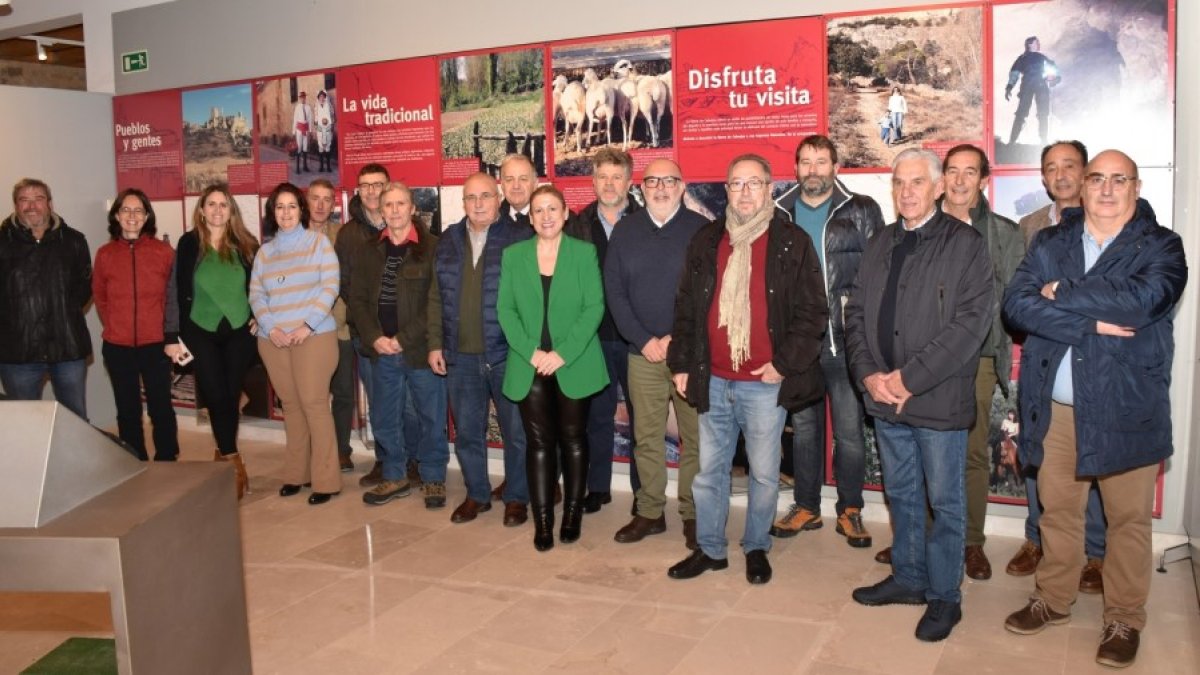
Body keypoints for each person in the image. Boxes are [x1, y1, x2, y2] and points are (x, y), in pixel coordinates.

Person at [1002, 150, 1186, 668]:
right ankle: (1053, 599)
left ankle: (1124, 618)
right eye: (1097, 179)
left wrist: (1061, 292)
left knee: (1127, 520)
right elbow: (1016, 304)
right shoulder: (1050, 241)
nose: (1106, 189)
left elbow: (1142, 302)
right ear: (1082, 186)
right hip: (1056, 409)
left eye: (1118, 180)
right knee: (1059, 511)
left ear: (1136, 187)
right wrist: (1088, 322)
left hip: (1126, 406)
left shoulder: (1161, 246)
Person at [845, 148, 992, 642]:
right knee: (902, 493)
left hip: (936, 398)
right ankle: (908, 577)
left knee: (945, 502)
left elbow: (969, 326)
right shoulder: (880, 241)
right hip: (884, 397)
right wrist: (869, 375)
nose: (906, 192)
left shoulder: (966, 244)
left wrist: (908, 379)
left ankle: (945, 596)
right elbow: (855, 313)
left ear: (938, 187)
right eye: (899, 183)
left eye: (917, 182)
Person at [666, 154, 826, 585]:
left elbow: (813, 312)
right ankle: (710, 549)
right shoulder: (706, 240)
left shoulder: (791, 241)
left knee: (764, 474)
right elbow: (686, 307)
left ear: (770, 188)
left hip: (763, 383)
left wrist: (785, 364)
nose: (745, 192)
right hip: (714, 379)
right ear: (726, 191)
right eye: (736, 184)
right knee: (709, 473)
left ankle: (756, 546)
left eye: (754, 183)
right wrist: (682, 363)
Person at [770, 134, 884, 548]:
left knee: (850, 431)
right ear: (795, 168)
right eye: (806, 162)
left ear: (836, 167)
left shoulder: (861, 209)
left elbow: (880, 271)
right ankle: (806, 506)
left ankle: (850, 509)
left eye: (821, 161)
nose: (813, 170)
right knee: (804, 429)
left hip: (846, 340)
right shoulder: (778, 212)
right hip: (800, 341)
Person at [1008, 141, 1108, 591]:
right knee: (1038, 452)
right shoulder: (1029, 227)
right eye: (1051, 168)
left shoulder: (1107, 223)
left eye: (1070, 166)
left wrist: (1058, 300)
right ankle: (1037, 539)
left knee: (1093, 458)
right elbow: (1019, 299)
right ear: (1043, 178)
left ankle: (1095, 552)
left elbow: (1105, 302)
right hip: (1042, 360)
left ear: (1085, 173)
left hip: (1098, 361)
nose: (1061, 175)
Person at [499, 184, 608, 550]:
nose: (546, 216)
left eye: (552, 209)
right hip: (528, 363)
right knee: (539, 443)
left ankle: (573, 514)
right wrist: (531, 352)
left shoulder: (584, 253)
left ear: (564, 214)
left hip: (573, 361)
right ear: (530, 219)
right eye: (538, 210)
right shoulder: (514, 256)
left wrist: (562, 354)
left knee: (574, 439)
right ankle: (543, 520)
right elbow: (505, 310)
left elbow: (593, 308)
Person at [606, 158, 706, 549]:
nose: (661, 188)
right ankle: (649, 512)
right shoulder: (625, 231)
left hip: (688, 355)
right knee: (646, 437)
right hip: (641, 353)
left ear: (682, 186)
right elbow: (614, 293)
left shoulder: (701, 230)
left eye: (669, 180)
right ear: (641, 188)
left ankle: (693, 514)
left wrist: (676, 339)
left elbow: (708, 294)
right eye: (652, 181)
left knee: (694, 439)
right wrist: (644, 339)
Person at [939, 144, 1025, 581]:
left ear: (984, 180)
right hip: (923, 359)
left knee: (972, 452)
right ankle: (922, 536)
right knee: (925, 450)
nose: (959, 181)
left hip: (979, 356)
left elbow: (1015, 301)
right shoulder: (918, 224)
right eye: (952, 171)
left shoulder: (1004, 234)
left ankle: (971, 542)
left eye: (969, 172)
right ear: (942, 177)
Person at [428, 172, 532, 525]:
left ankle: (517, 497)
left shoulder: (519, 237)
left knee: (516, 433)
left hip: (507, 354)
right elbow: (435, 297)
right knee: (468, 433)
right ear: (463, 203)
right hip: (460, 356)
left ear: (498, 199)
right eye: (471, 197)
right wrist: (435, 344)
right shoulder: (448, 240)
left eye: (485, 196)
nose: (478, 203)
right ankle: (477, 494)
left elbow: (532, 298)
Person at [349, 182, 449, 510]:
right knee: (384, 418)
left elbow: (436, 303)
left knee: (430, 417)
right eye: (388, 205)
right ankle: (395, 475)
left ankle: (433, 477)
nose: (394, 210)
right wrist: (375, 337)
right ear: (381, 210)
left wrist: (402, 339)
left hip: (420, 351)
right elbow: (357, 300)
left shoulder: (433, 247)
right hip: (382, 352)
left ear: (413, 208)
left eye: (400, 204)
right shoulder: (368, 251)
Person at [165, 184, 259, 499]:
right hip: (199, 330)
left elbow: (260, 287)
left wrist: (260, 315)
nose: (218, 210)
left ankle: (223, 453)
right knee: (216, 395)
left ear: (231, 211)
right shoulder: (188, 243)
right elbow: (174, 291)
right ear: (202, 210)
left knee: (229, 395)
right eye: (212, 204)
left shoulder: (246, 244)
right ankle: (233, 461)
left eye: (223, 205)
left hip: (239, 332)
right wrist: (171, 335)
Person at [250, 182, 341, 505]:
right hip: (273, 340)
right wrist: (271, 327)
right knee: (291, 407)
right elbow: (256, 294)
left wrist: (307, 325)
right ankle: (296, 474)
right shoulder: (265, 252)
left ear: (301, 210)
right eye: (279, 207)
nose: (286, 212)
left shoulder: (318, 243)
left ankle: (327, 480)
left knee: (314, 405)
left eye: (292, 206)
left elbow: (330, 286)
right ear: (272, 213)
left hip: (313, 337)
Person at [564, 147, 643, 513]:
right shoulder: (576, 226)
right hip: (592, 339)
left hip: (636, 339)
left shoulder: (646, 222)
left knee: (642, 419)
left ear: (629, 181)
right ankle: (598, 487)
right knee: (597, 416)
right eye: (602, 177)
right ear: (593, 182)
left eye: (616, 177)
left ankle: (644, 493)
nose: (609, 184)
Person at [92, 188, 178, 461]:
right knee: (127, 409)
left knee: (161, 407)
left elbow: (172, 297)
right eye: (126, 210)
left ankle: (167, 458)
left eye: (138, 210)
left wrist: (168, 334)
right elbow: (100, 296)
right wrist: (115, 325)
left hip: (155, 344)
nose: (132, 216)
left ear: (147, 216)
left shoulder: (164, 252)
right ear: (117, 216)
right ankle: (134, 459)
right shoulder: (105, 254)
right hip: (118, 346)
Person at [0, 178, 92, 419]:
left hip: (67, 347)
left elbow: (84, 288)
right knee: (24, 424)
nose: (32, 206)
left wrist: (63, 313)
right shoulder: (2, 242)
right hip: (18, 352)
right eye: (24, 200)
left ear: (50, 203)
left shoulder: (74, 241)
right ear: (16, 205)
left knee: (75, 422)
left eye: (38, 199)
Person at [335, 163, 392, 486]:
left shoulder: (404, 221)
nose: (372, 191)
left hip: (404, 333)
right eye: (366, 185)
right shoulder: (347, 235)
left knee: (408, 403)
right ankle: (385, 460)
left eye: (378, 184)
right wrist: (371, 325)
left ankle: (411, 460)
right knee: (379, 402)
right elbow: (345, 284)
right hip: (367, 334)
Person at [306, 178, 355, 472]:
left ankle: (341, 450)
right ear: (306, 201)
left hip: (339, 325)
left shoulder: (343, 236)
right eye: (316, 198)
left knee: (343, 391)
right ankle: (314, 450)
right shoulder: (293, 236)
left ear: (334, 204)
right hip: (304, 329)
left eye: (327, 199)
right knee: (310, 395)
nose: (321, 205)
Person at [1005, 36, 1059, 147]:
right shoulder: (1023, 58)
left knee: (1043, 113)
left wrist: (1054, 78)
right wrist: (1009, 87)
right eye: (1036, 42)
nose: (1039, 44)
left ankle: (1043, 140)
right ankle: (1012, 140)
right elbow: (1014, 73)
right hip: (1028, 87)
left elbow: (1053, 70)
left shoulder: (1042, 58)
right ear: (1030, 44)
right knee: (1021, 113)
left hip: (1040, 86)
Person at [498, 153, 537, 228]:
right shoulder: (491, 219)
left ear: (535, 184)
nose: (516, 186)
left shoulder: (550, 219)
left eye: (523, 179)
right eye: (509, 179)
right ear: (502, 185)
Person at [312, 90, 335, 173]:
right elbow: (315, 117)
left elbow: (332, 114)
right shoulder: (316, 106)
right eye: (320, 97)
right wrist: (315, 128)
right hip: (320, 128)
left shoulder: (328, 105)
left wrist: (332, 124)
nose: (321, 98)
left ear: (325, 97)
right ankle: (321, 166)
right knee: (321, 146)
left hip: (327, 127)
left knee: (328, 146)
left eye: (323, 96)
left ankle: (328, 167)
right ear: (318, 98)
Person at [293, 91, 313, 173]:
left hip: (306, 129)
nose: (303, 99)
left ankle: (305, 166)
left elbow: (310, 119)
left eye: (304, 97)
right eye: (301, 97)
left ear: (305, 98)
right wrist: (293, 131)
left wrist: (310, 130)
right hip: (299, 129)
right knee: (299, 147)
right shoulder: (297, 107)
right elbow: (295, 119)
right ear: (299, 98)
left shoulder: (308, 107)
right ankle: (297, 168)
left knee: (305, 147)